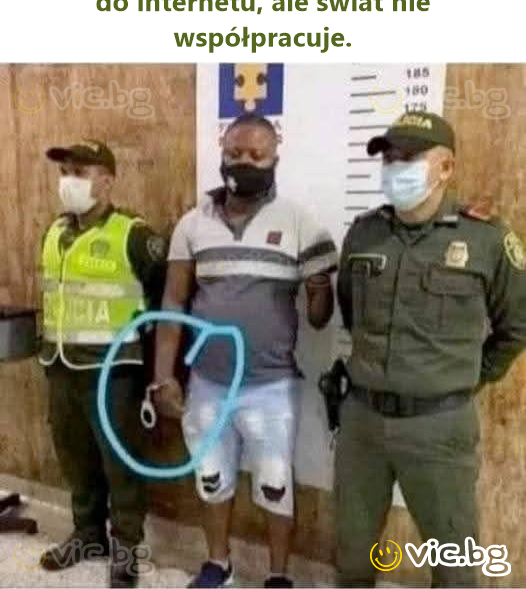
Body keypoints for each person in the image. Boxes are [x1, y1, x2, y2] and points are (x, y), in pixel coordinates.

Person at [335, 111, 526, 587]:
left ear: (446, 168)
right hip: (362, 423)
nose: (395, 168)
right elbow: (351, 311)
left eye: (409, 158)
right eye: (389, 158)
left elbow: (517, 326)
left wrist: (465, 378)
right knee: (353, 553)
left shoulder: (486, 239)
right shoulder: (364, 233)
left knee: (454, 561)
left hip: (438, 428)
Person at [152, 113, 338, 588]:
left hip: (270, 385)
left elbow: (320, 318)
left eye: (257, 155)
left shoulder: (298, 222)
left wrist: (319, 289)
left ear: (275, 158)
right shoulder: (193, 223)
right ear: (222, 154)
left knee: (275, 485)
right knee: (212, 479)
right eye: (235, 153)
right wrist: (163, 376)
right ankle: (219, 564)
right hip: (207, 383)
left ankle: (278, 575)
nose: (244, 162)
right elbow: (172, 303)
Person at [38, 140, 167, 588]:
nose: (68, 181)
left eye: (80, 172)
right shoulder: (54, 231)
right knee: (75, 458)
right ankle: (87, 534)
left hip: (113, 372)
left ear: (108, 181)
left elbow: (163, 301)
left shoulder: (134, 235)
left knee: (120, 463)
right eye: (64, 172)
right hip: (61, 366)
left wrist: (155, 373)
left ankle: (126, 546)